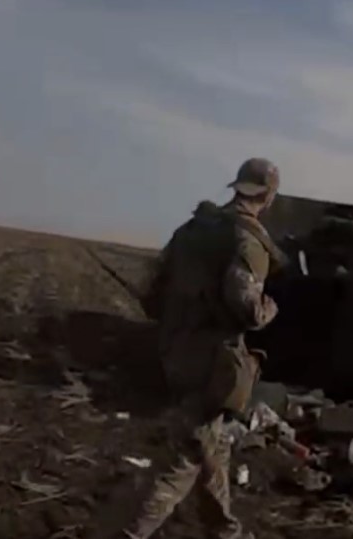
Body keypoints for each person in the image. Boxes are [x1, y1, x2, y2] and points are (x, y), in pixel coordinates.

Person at [110, 158, 285, 539]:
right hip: (212, 361)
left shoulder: (192, 228)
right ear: (269, 195)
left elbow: (154, 291)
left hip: (174, 350)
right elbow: (247, 307)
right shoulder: (248, 240)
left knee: (212, 445)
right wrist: (270, 307)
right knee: (186, 459)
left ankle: (224, 530)